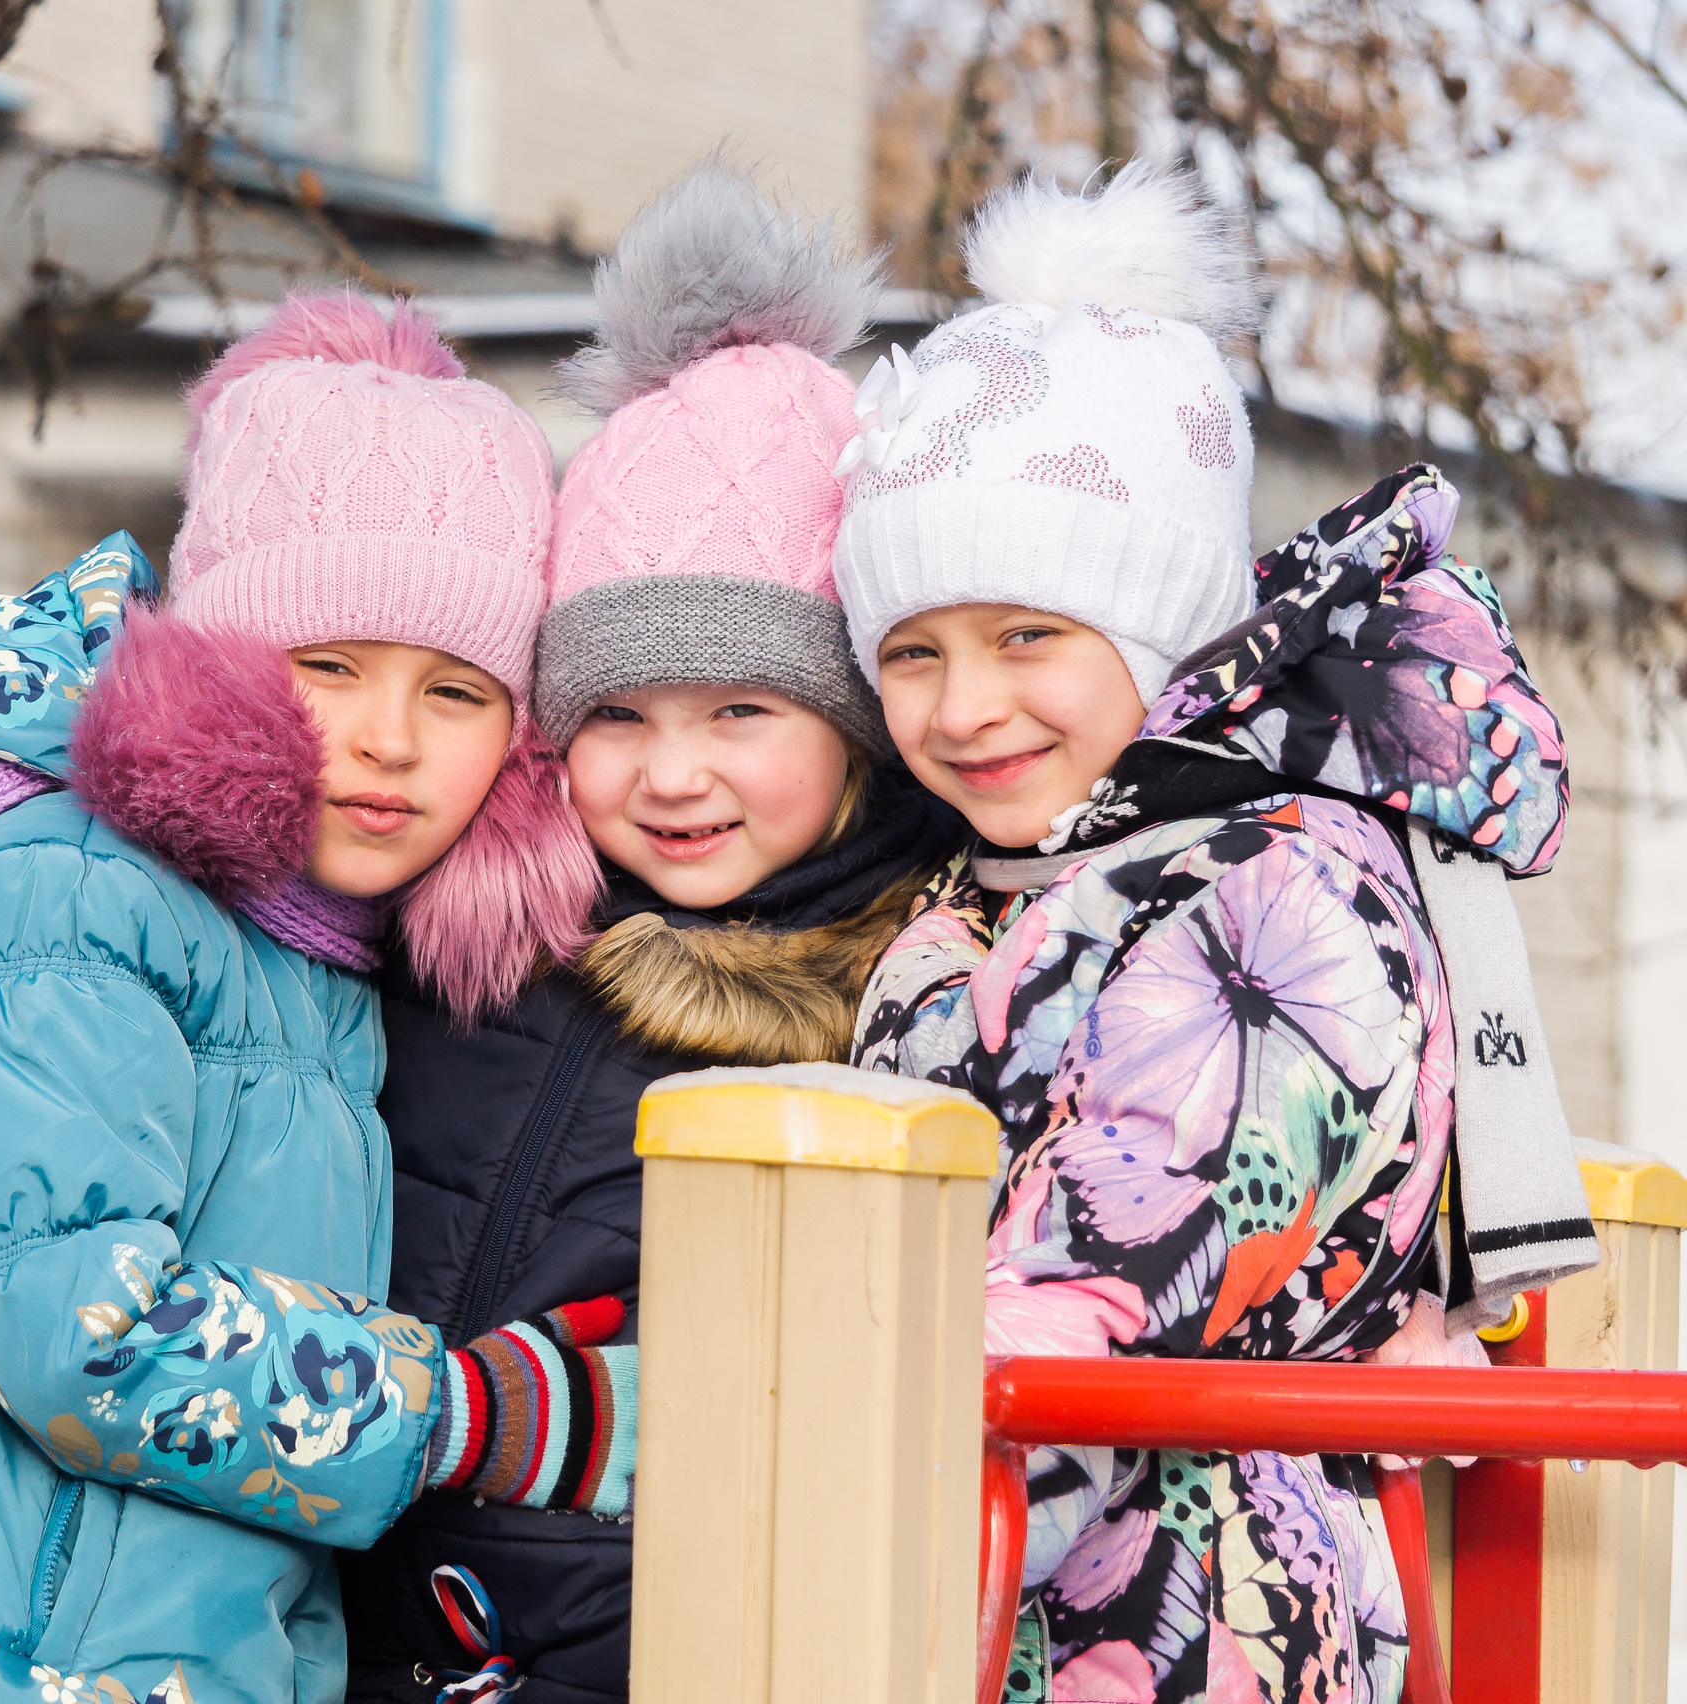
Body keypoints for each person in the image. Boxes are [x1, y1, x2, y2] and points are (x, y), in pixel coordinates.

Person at [0, 293, 640, 1704]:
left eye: (456, 692)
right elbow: (83, 1337)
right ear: (218, 664)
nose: (389, 739)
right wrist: (473, 1417)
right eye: (328, 668)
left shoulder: (315, 952)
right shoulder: (71, 885)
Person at [837, 163, 1595, 1702]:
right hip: (987, 1615)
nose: (964, 707)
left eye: (1029, 636)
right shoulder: (1019, 874)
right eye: (912, 652)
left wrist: (777, 1506)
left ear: (1162, 627)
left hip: (1180, 1631)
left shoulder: (1272, 892)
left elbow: (1111, 1291)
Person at [339, 167, 964, 1704]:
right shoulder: (466, 925)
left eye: (742, 712)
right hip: (347, 1632)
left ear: (855, 730)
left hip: (665, 1648)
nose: (672, 775)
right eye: (616, 714)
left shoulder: (913, 992)